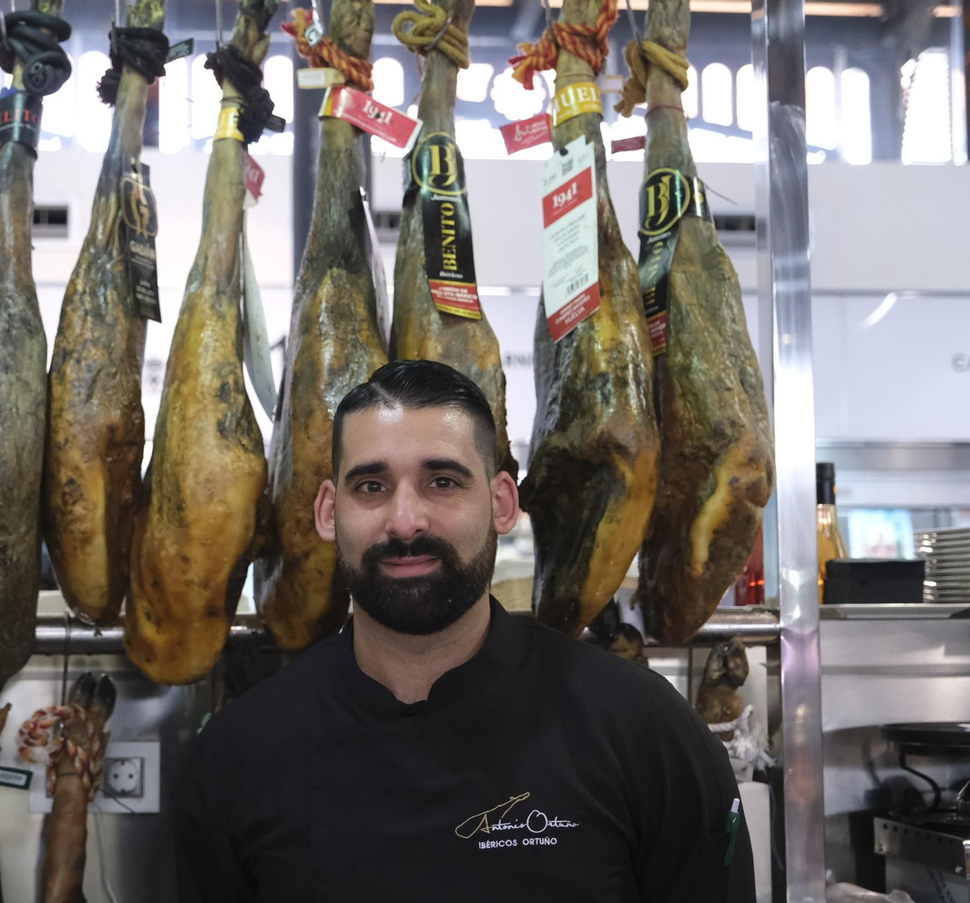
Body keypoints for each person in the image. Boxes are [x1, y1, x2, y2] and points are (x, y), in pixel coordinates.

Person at [175, 359, 754, 901]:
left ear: (503, 503)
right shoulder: (237, 759)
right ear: (329, 512)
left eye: (443, 482)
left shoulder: (644, 731)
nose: (404, 522)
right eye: (370, 486)